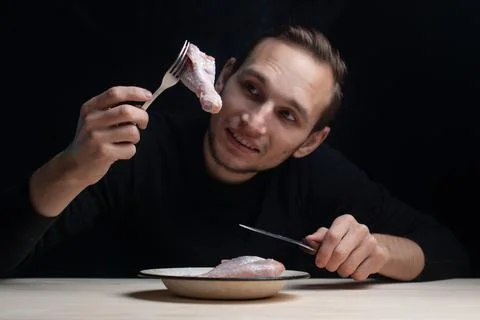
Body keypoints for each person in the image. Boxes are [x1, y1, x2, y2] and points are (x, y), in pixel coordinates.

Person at [0, 25, 469, 281]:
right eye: (251, 88)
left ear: (311, 141)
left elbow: (450, 253)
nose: (254, 121)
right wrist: (70, 166)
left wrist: (379, 251)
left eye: (288, 116)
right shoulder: (137, 148)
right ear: (221, 79)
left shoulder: (321, 174)